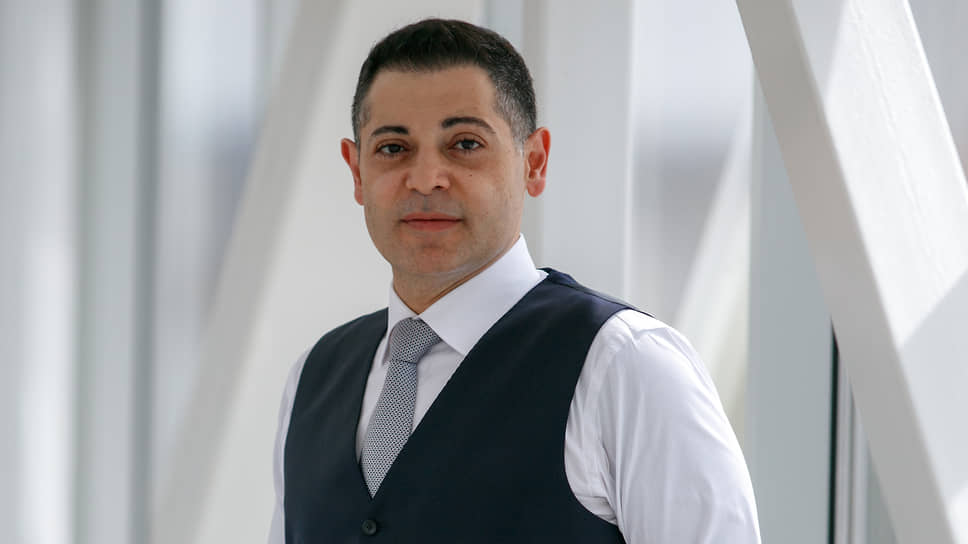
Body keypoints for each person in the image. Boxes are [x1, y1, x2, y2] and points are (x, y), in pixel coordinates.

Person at [268, 17, 759, 544]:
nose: (426, 178)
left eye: (464, 144)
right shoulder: (312, 379)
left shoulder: (624, 365)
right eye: (393, 148)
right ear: (356, 172)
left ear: (534, 163)